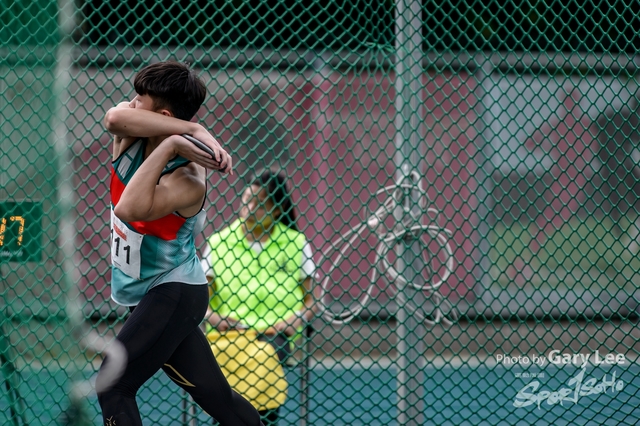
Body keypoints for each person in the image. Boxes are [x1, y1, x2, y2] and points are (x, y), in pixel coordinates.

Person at [96, 60, 264, 426]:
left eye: (140, 99)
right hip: (146, 294)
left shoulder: (188, 179)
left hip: (174, 292)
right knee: (215, 396)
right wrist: (191, 129)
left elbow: (129, 209)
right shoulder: (130, 133)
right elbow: (113, 117)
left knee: (113, 384)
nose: (131, 103)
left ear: (164, 112)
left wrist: (172, 144)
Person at [201, 170, 318, 426]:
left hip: (275, 333)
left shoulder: (296, 243)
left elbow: (312, 301)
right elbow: (201, 302)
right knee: (231, 360)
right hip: (228, 333)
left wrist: (294, 320)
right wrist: (214, 316)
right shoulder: (219, 242)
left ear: (277, 211)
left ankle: (233, 420)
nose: (250, 208)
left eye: (260, 203)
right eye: (247, 200)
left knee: (265, 356)